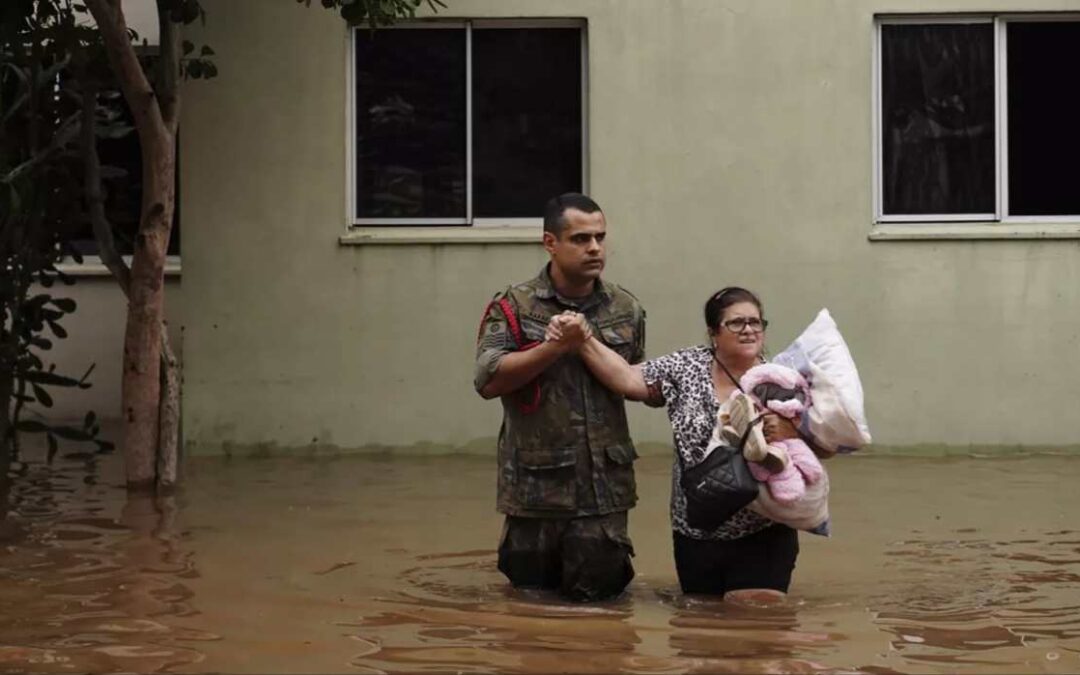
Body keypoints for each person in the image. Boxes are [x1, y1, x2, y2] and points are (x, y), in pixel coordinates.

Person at [547, 287, 833, 602]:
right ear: (713, 332)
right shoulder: (686, 367)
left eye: (756, 322)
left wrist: (791, 433)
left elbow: (828, 445)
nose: (749, 329)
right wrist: (583, 340)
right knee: (702, 632)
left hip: (763, 530)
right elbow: (629, 379)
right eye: (736, 323)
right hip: (696, 530)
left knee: (757, 626)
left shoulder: (782, 378)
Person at [473, 192, 646, 602]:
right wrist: (553, 347)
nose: (595, 249)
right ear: (550, 242)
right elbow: (487, 380)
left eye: (600, 238)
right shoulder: (514, 306)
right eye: (581, 239)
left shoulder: (625, 308)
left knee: (603, 613)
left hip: (604, 492)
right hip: (536, 490)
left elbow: (636, 380)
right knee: (528, 611)